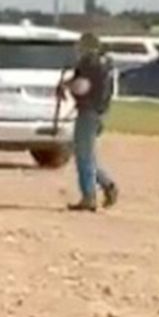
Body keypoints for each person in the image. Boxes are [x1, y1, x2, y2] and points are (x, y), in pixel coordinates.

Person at [58, 32, 119, 212]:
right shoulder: (105, 62)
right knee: (87, 155)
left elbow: (82, 85)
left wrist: (65, 86)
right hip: (100, 111)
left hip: (88, 112)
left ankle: (89, 196)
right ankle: (106, 184)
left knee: (83, 156)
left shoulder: (89, 63)